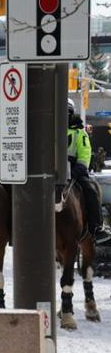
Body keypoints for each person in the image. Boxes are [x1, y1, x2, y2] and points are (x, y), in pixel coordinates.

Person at [67, 98, 111, 244]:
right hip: (53, 172)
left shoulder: (80, 133)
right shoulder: (49, 132)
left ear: (71, 113)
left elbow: (84, 156)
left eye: (66, 112)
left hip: (75, 172)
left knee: (91, 189)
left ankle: (96, 227)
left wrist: (76, 171)